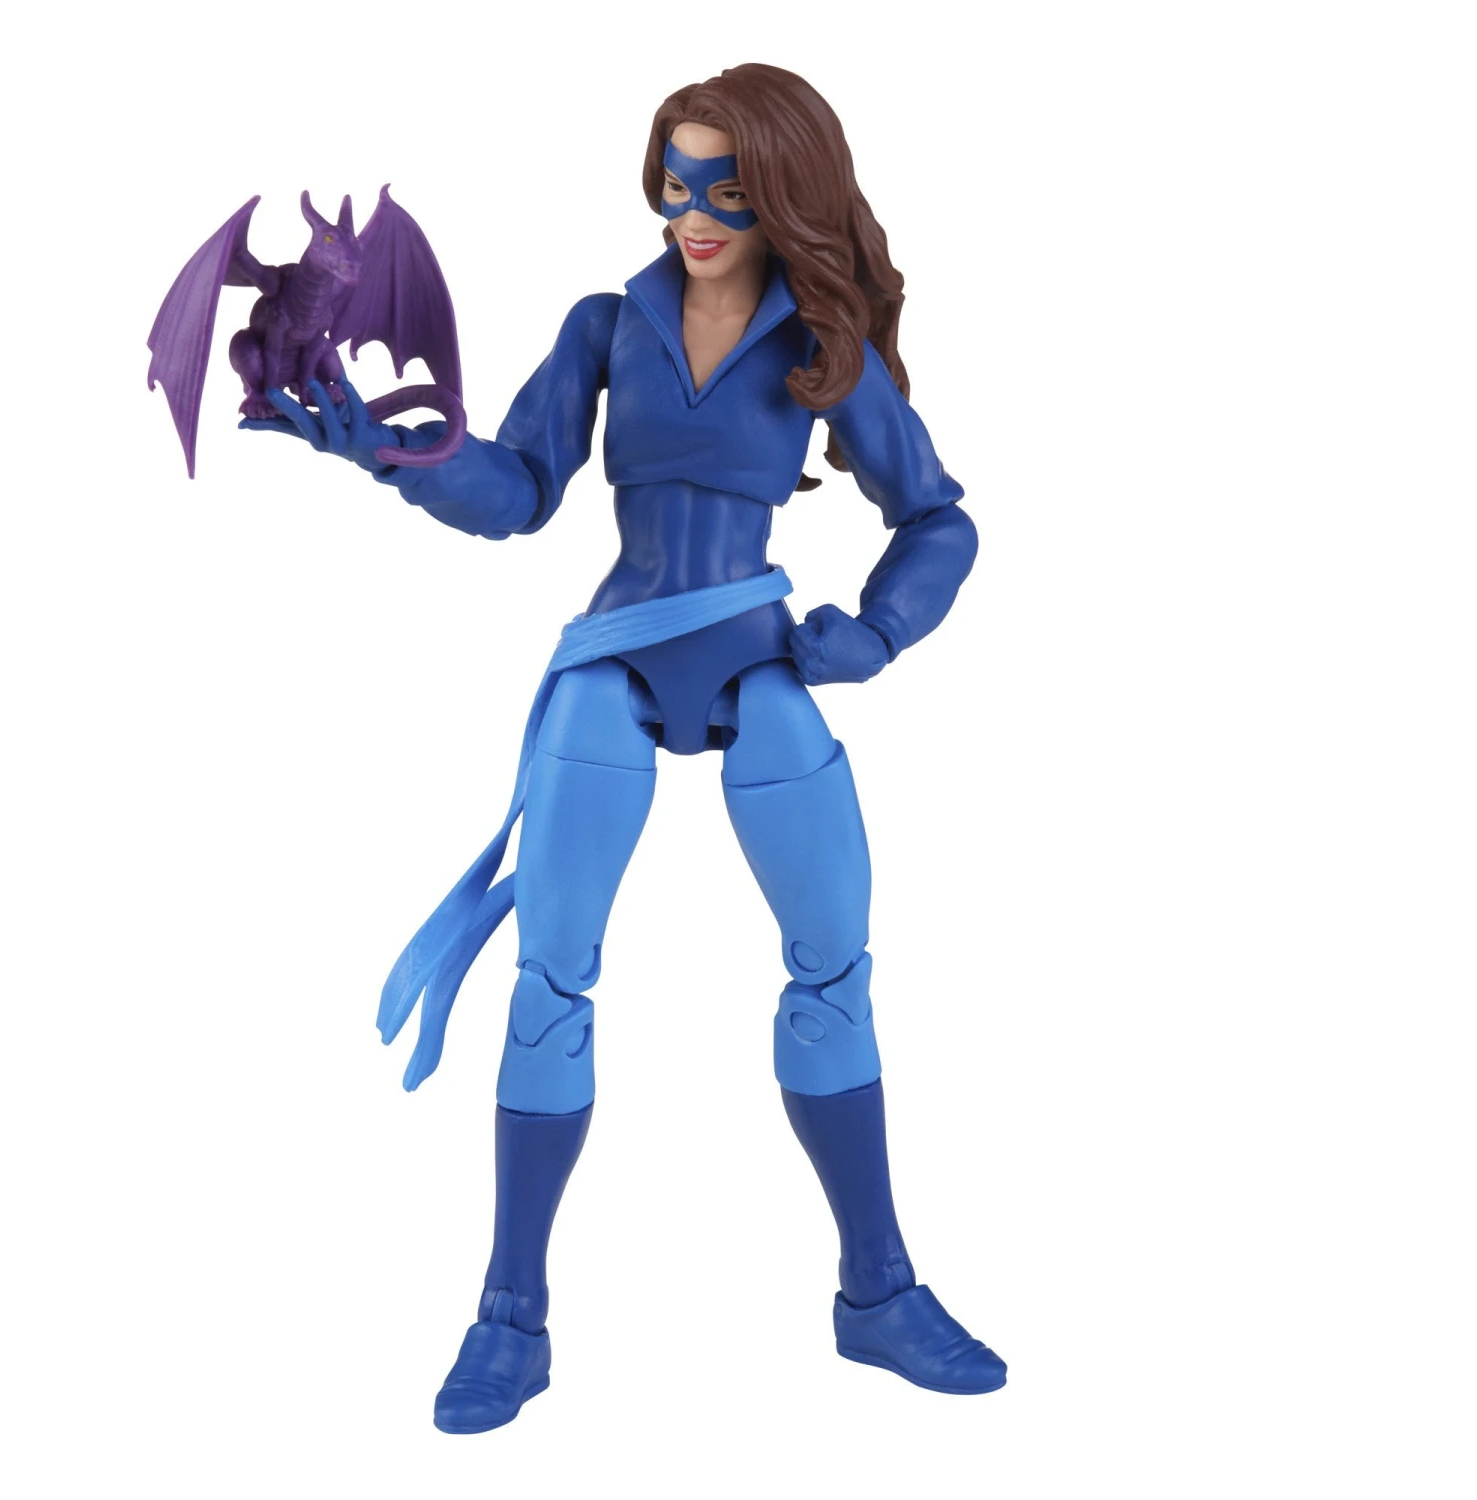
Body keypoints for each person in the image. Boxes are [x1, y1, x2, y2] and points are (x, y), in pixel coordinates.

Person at [245, 62, 1006, 1434]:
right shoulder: (609, 322)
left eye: (726, 187)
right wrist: (396, 454)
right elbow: (521, 489)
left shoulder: (815, 341)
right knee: (551, 981)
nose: (693, 212)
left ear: (786, 193)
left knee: (834, 972)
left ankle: (879, 1293)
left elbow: (938, 518)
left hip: (761, 656)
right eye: (676, 180)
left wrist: (879, 632)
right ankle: (510, 1317)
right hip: (614, 657)